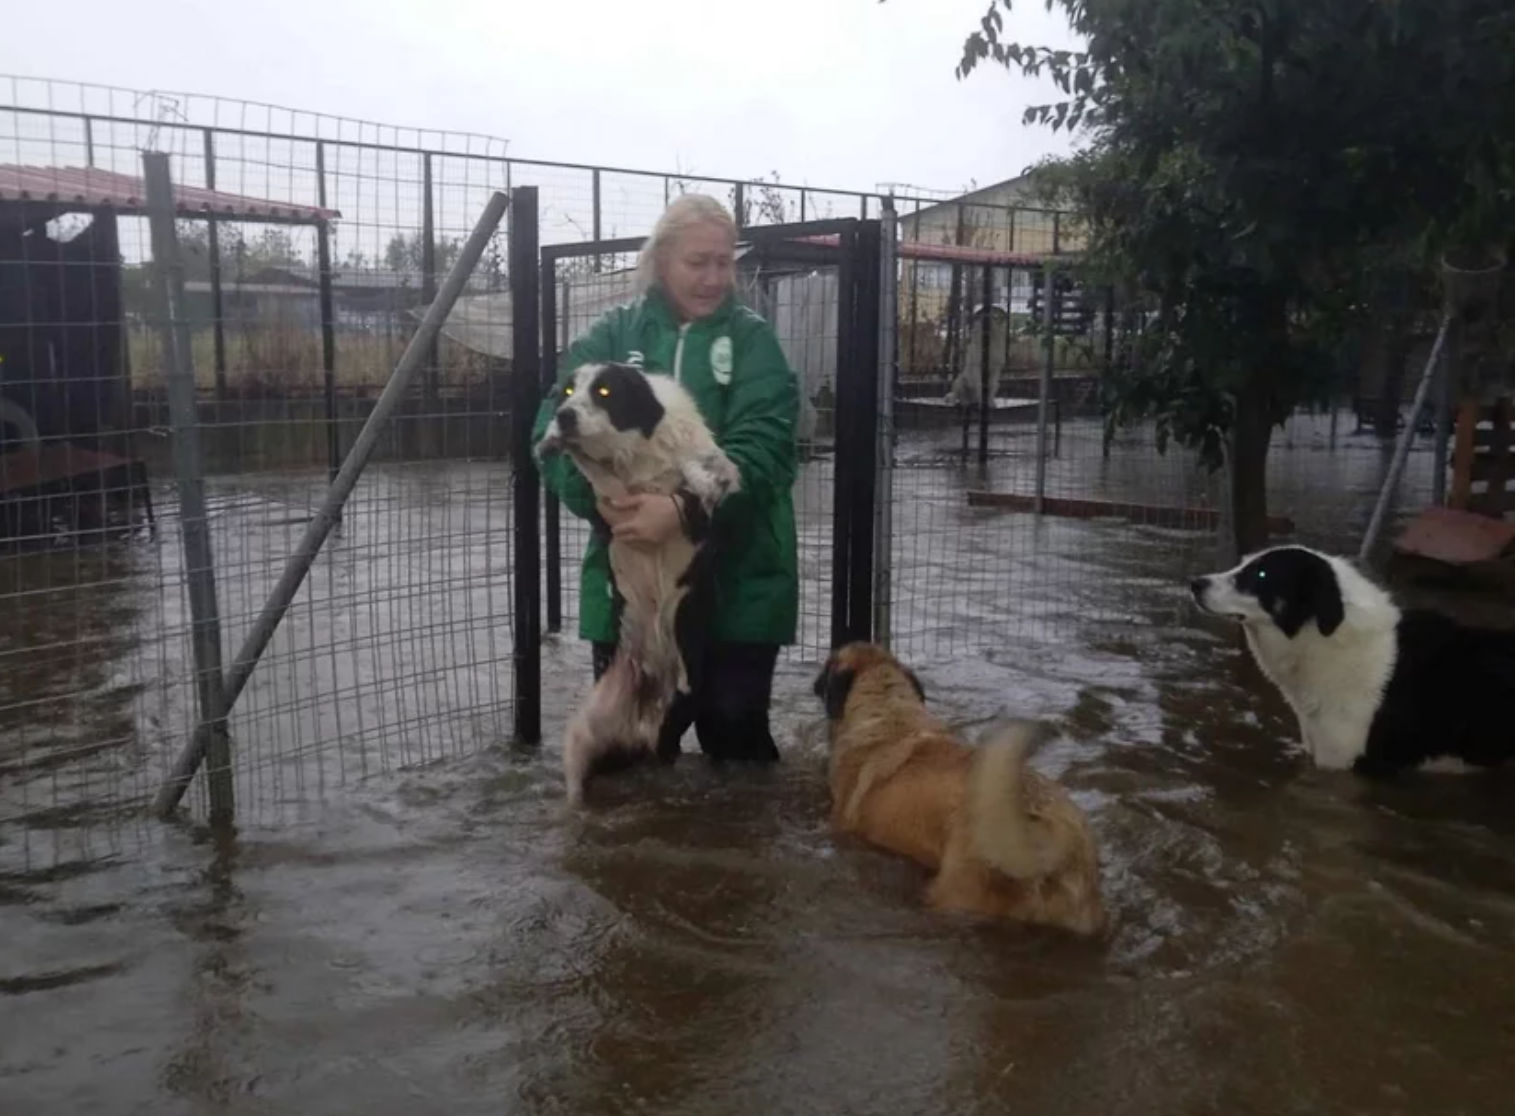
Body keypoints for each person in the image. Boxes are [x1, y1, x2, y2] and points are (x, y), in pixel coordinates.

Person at [531, 194, 799, 764]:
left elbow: (767, 446)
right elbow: (550, 430)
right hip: (631, 582)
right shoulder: (609, 335)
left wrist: (681, 510)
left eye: (724, 262)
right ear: (661, 260)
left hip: (743, 579)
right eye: (697, 262)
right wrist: (602, 504)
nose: (713, 278)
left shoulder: (753, 341)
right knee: (631, 751)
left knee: (736, 739)